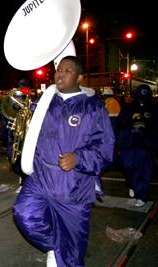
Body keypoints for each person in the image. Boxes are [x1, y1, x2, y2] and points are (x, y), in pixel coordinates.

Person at [13, 56, 114, 267]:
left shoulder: (93, 107)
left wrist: (79, 158)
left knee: (73, 251)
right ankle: (55, 247)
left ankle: (63, 253)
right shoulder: (45, 103)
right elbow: (30, 137)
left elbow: (105, 148)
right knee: (24, 215)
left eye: (67, 70)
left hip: (73, 185)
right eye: (59, 69)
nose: (60, 73)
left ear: (79, 77)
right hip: (41, 176)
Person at [117, 84, 158, 207]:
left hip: (144, 143)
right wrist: (130, 123)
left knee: (143, 170)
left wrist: (146, 127)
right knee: (127, 166)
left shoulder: (154, 108)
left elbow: (156, 126)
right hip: (128, 142)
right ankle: (132, 185)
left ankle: (141, 195)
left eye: (144, 97)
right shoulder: (128, 107)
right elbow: (120, 122)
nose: (142, 100)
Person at [102, 88, 121, 169]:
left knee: (112, 145)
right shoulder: (112, 102)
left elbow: (110, 117)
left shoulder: (110, 102)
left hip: (112, 126)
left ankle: (113, 162)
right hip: (113, 126)